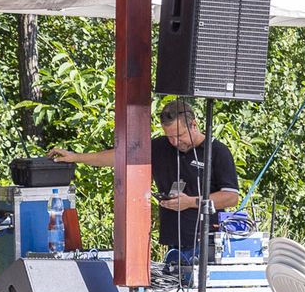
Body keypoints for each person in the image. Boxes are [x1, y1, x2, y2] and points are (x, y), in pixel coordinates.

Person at [50, 98, 240, 264]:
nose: (174, 141)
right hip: (174, 243)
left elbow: (231, 197)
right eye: (169, 136)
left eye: (180, 135)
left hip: (207, 243)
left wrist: (191, 202)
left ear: (194, 125)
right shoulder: (159, 147)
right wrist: (76, 157)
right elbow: (118, 157)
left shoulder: (217, 152)